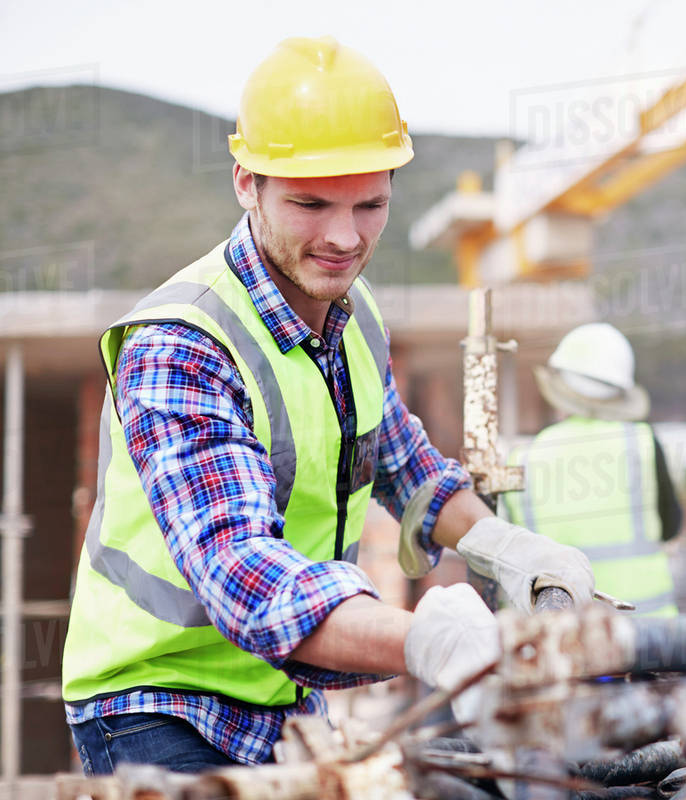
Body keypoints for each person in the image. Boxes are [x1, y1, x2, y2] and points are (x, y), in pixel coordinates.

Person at [59, 36, 593, 775]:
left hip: (281, 695)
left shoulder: (351, 311)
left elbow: (406, 467)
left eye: (370, 204)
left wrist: (506, 548)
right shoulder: (181, 347)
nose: (344, 238)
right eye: (311, 204)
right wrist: (422, 639)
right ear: (247, 182)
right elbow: (242, 574)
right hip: (159, 700)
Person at [503, 323, 681, 616]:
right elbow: (671, 525)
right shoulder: (641, 442)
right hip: (648, 634)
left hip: (564, 638)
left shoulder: (523, 458)